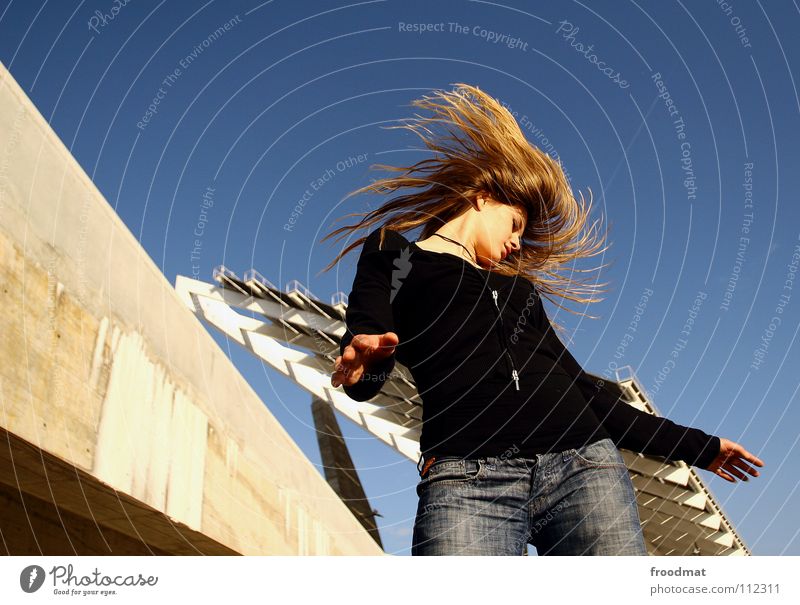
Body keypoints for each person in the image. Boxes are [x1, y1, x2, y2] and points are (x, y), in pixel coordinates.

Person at [323, 83, 764, 556]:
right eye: (515, 225)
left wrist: (699, 446)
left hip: (583, 466)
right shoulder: (395, 252)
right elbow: (370, 346)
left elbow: (586, 391)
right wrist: (365, 365)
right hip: (466, 480)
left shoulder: (520, 290)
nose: (517, 245)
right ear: (481, 197)